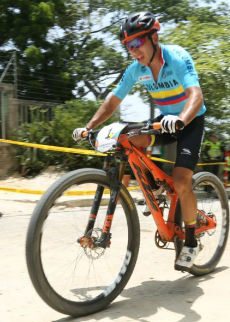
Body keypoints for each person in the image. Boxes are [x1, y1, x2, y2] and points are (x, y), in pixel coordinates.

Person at [72, 12, 206, 272]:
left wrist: (181, 119)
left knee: (181, 180)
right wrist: (89, 127)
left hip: (189, 120)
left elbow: (196, 95)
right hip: (164, 120)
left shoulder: (177, 57)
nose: (133, 51)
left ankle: (190, 242)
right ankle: (154, 187)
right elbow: (113, 100)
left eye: (136, 43)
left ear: (154, 37)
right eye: (127, 46)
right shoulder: (136, 69)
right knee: (130, 140)